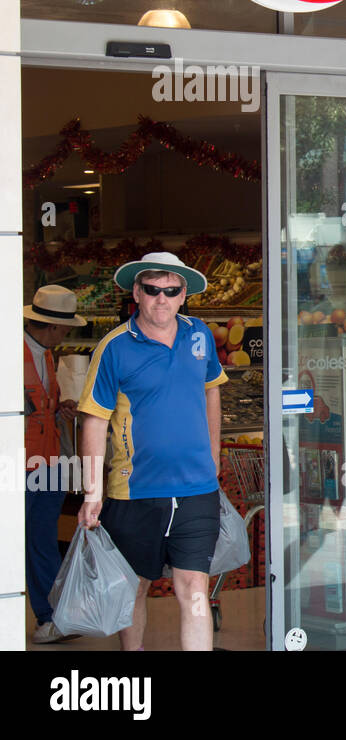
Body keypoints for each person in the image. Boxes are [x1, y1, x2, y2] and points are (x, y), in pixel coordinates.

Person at [76, 252, 227, 651]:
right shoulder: (114, 347)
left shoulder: (201, 335)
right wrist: (93, 491)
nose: (161, 299)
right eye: (152, 290)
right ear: (136, 294)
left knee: (194, 587)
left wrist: (213, 455)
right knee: (134, 587)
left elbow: (212, 389)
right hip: (135, 489)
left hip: (196, 488)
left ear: (183, 296)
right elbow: (93, 419)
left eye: (171, 291)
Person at [23, 285, 85, 644]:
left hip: (47, 463)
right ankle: (48, 616)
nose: (67, 334)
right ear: (52, 326)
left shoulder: (46, 354)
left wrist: (58, 407)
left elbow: (42, 402)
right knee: (30, 541)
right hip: (20, 465)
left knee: (42, 541)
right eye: (65, 329)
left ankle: (50, 618)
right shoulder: (12, 352)